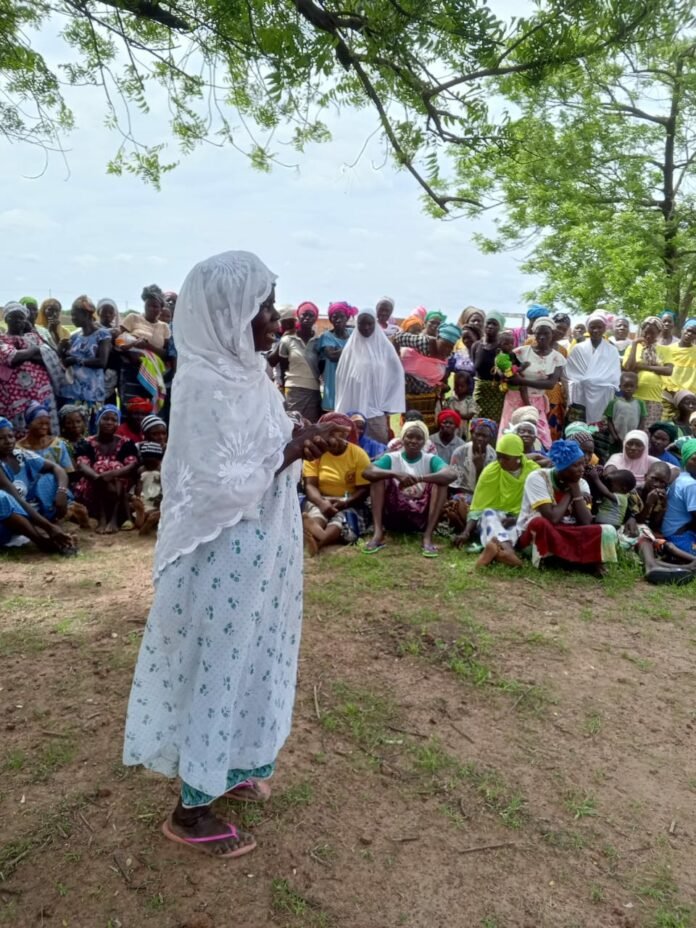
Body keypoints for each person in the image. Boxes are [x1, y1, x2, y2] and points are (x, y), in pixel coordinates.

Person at [123, 250, 344, 859]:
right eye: (261, 307)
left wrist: (311, 431)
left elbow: (268, 447)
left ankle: (229, 761)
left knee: (253, 657)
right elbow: (221, 482)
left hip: (262, 551)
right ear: (225, 311)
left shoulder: (247, 372)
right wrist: (298, 443)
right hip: (221, 556)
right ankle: (191, 811)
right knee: (219, 665)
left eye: (272, 304)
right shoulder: (200, 383)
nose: (273, 319)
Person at [517, 439, 618, 571]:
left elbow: (586, 521)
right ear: (562, 467)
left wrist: (576, 490)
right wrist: (570, 494)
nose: (582, 470)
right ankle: (582, 562)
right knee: (540, 523)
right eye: (575, 466)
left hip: (566, 530)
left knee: (607, 530)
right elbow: (552, 518)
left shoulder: (581, 483)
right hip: (539, 533)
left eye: (582, 464)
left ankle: (563, 560)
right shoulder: (538, 478)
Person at [363, 420, 454, 557]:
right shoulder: (393, 458)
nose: (413, 441)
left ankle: (427, 536)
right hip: (394, 513)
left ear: (424, 442)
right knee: (377, 478)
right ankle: (378, 533)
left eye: (419, 438)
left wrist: (420, 478)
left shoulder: (430, 459)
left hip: (421, 516)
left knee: (440, 483)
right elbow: (368, 472)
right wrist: (394, 473)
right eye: (409, 437)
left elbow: (451, 474)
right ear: (402, 439)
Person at [453, 432, 538, 567]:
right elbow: (478, 507)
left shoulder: (533, 472)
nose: (500, 461)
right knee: (488, 514)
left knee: (515, 526)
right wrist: (466, 532)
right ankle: (508, 552)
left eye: (505, 458)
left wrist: (517, 518)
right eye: (498, 457)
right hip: (492, 517)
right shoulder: (491, 471)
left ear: (518, 458)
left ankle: (496, 550)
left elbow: (538, 505)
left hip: (522, 518)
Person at [0, 417, 76, 553]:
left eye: (10, 436)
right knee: (2, 498)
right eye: (1, 438)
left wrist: (61, 492)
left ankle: (51, 525)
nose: (8, 441)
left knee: (49, 479)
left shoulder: (20, 455)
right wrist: (49, 528)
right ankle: (42, 541)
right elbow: (15, 498)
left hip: (27, 514)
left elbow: (57, 468)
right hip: (5, 523)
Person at [302, 412, 371, 554]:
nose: (333, 439)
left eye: (338, 434)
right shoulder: (316, 452)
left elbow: (364, 489)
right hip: (321, 498)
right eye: (330, 433)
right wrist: (322, 503)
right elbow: (310, 485)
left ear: (346, 435)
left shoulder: (358, 454)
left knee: (342, 519)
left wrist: (345, 502)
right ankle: (316, 531)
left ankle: (317, 540)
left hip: (349, 501)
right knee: (317, 512)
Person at [335, 308, 405, 443]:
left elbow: (396, 375)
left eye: (369, 324)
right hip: (353, 413)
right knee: (353, 451)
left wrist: (386, 406)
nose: (366, 328)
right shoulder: (350, 349)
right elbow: (341, 379)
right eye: (361, 323)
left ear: (375, 324)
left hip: (376, 414)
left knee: (378, 453)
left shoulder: (385, 347)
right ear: (357, 324)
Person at [499, 318, 565, 448]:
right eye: (538, 333)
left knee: (541, 436)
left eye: (546, 333)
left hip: (537, 401)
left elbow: (550, 384)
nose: (542, 337)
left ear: (552, 334)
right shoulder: (520, 352)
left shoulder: (557, 358)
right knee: (511, 434)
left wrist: (521, 380)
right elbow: (507, 372)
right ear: (534, 333)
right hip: (514, 399)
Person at [74, 405, 139, 534]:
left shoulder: (126, 443)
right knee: (100, 466)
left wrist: (111, 474)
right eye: (105, 418)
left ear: (118, 423)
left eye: (114, 420)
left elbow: (132, 465)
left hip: (119, 487)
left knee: (115, 467)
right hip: (92, 485)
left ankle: (111, 518)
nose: (109, 422)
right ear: (98, 420)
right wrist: (99, 478)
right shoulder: (86, 443)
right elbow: (82, 465)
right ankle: (104, 517)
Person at [0, 302, 59, 436]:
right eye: (13, 317)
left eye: (21, 317)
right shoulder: (2, 339)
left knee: (44, 428)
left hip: (41, 392)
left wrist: (25, 353)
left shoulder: (33, 337)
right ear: (6, 319)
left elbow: (49, 356)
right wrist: (33, 351)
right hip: (15, 396)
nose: (18, 321)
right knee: (21, 434)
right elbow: (12, 358)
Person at [391, 322, 461, 430]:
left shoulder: (447, 355)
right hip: (411, 393)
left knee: (429, 427)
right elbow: (397, 337)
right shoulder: (424, 343)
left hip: (428, 397)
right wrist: (396, 363)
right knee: (411, 426)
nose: (447, 349)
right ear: (438, 337)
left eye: (450, 347)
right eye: (445, 344)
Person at [59, 295, 112, 424]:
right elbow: (65, 362)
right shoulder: (74, 336)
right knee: (73, 428)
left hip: (92, 393)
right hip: (72, 391)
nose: (72, 318)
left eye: (75, 315)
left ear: (86, 314)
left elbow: (102, 362)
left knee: (91, 428)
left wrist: (77, 360)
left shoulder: (102, 334)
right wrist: (61, 349)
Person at [116, 285, 170, 410]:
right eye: (148, 305)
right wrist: (132, 353)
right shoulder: (133, 318)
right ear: (144, 305)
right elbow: (118, 341)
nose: (152, 309)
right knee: (130, 406)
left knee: (148, 407)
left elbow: (165, 353)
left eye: (155, 306)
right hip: (131, 370)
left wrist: (147, 346)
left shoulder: (164, 327)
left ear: (161, 308)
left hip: (153, 372)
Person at [564, 312, 621, 424]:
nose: (596, 330)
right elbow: (569, 373)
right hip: (580, 394)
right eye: (592, 327)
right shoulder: (578, 349)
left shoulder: (612, 350)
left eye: (599, 327)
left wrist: (593, 381)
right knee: (577, 429)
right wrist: (586, 381)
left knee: (598, 432)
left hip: (602, 396)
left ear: (605, 328)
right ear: (587, 328)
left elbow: (614, 377)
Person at [622, 317, 673, 426]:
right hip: (633, 396)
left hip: (654, 398)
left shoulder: (665, 350)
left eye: (652, 333)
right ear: (641, 331)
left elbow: (668, 370)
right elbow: (628, 368)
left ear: (659, 333)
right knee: (630, 428)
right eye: (645, 333)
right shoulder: (632, 347)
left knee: (648, 431)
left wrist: (643, 366)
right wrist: (635, 344)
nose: (648, 336)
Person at [278, 301, 322, 422]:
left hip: (313, 390)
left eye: (311, 315)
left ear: (315, 318)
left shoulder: (319, 341)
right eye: (304, 314)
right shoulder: (287, 340)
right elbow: (283, 368)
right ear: (298, 316)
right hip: (293, 390)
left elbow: (322, 367)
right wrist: (282, 388)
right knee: (293, 425)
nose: (307, 318)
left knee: (311, 427)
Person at [316, 302, 356, 412]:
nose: (338, 320)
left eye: (341, 316)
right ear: (330, 319)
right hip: (333, 383)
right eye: (334, 317)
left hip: (350, 382)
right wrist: (352, 349)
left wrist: (340, 351)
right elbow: (332, 356)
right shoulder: (326, 336)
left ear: (347, 317)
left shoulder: (353, 333)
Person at [661, 438, 696, 555]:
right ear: (685, 460)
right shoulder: (690, 484)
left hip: (673, 532)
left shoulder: (681, 477)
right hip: (680, 536)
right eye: (695, 459)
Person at [449, 418, 497, 502]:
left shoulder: (493, 456)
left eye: (484, 436)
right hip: (463, 494)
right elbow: (454, 485)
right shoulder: (460, 453)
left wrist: (479, 469)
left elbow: (489, 486)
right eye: (477, 434)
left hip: (484, 494)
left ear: (490, 438)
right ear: (471, 434)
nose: (480, 438)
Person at [470, 312, 505, 422]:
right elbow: (473, 368)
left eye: (494, 324)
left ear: (500, 328)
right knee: (477, 421)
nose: (490, 326)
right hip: (480, 392)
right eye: (488, 323)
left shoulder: (503, 347)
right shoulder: (476, 346)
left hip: (497, 393)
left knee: (494, 423)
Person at [603, 371, 646, 449]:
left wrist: (636, 435)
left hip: (632, 440)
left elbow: (642, 422)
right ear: (620, 387)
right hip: (616, 440)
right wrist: (615, 436)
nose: (628, 389)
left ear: (636, 387)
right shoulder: (614, 403)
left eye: (631, 386)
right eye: (625, 386)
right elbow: (609, 421)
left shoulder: (640, 403)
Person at [130, 441, 164, 535]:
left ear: (159, 460)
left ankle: (144, 520)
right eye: (148, 463)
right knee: (138, 506)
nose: (150, 466)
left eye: (153, 463)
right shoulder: (141, 470)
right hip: (145, 498)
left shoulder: (162, 469)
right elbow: (138, 485)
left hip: (156, 498)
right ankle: (145, 518)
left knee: (153, 510)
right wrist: (137, 497)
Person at [662, 319, 696, 408]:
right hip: (668, 395)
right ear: (682, 330)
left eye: (694, 333)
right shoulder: (668, 349)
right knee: (664, 421)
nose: (690, 334)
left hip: (688, 398)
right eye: (688, 330)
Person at [439, 370, 478, 438]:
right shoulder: (450, 400)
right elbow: (444, 411)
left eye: (462, 386)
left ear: (467, 387)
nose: (459, 388)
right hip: (449, 427)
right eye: (457, 386)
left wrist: (459, 415)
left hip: (462, 428)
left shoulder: (469, 400)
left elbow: (471, 414)